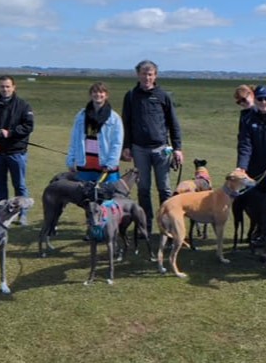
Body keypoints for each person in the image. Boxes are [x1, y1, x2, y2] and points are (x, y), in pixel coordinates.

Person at [121, 60, 183, 235]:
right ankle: (145, 226)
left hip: (161, 149)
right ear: (138, 75)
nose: (146, 77)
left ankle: (167, 226)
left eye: (150, 74)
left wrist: (177, 148)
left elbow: (173, 123)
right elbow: (126, 123)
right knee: (143, 190)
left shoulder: (163, 96)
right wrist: (126, 146)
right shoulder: (131, 96)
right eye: (143, 74)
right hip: (139, 149)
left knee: (165, 189)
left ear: (155, 76)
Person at [0, 75, 35, 224]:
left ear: (13, 87)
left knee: (20, 185)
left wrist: (10, 133)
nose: (5, 89)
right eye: (2, 86)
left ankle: (22, 214)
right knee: (0, 186)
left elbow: (28, 126)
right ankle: (2, 214)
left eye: (8, 86)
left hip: (17, 153)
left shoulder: (23, 106)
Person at [66, 82, 124, 184]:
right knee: (85, 192)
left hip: (105, 164)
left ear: (106, 95)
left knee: (107, 192)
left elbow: (117, 143)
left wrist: (111, 163)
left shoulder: (114, 118)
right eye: (95, 92)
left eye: (101, 92)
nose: (98, 94)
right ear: (90, 94)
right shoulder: (81, 116)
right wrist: (70, 160)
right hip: (85, 164)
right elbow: (74, 139)